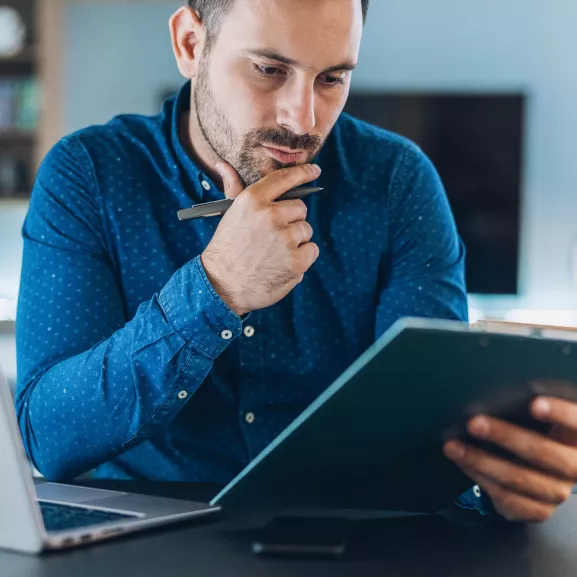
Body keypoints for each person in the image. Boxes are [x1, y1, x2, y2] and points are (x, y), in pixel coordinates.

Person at [15, 0, 577, 523]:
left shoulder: (398, 182)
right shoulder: (89, 174)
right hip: (144, 541)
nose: (303, 119)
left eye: (332, 78)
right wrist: (215, 291)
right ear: (191, 43)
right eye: (268, 69)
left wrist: (499, 484)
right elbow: (50, 438)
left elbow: (429, 433)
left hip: (354, 538)